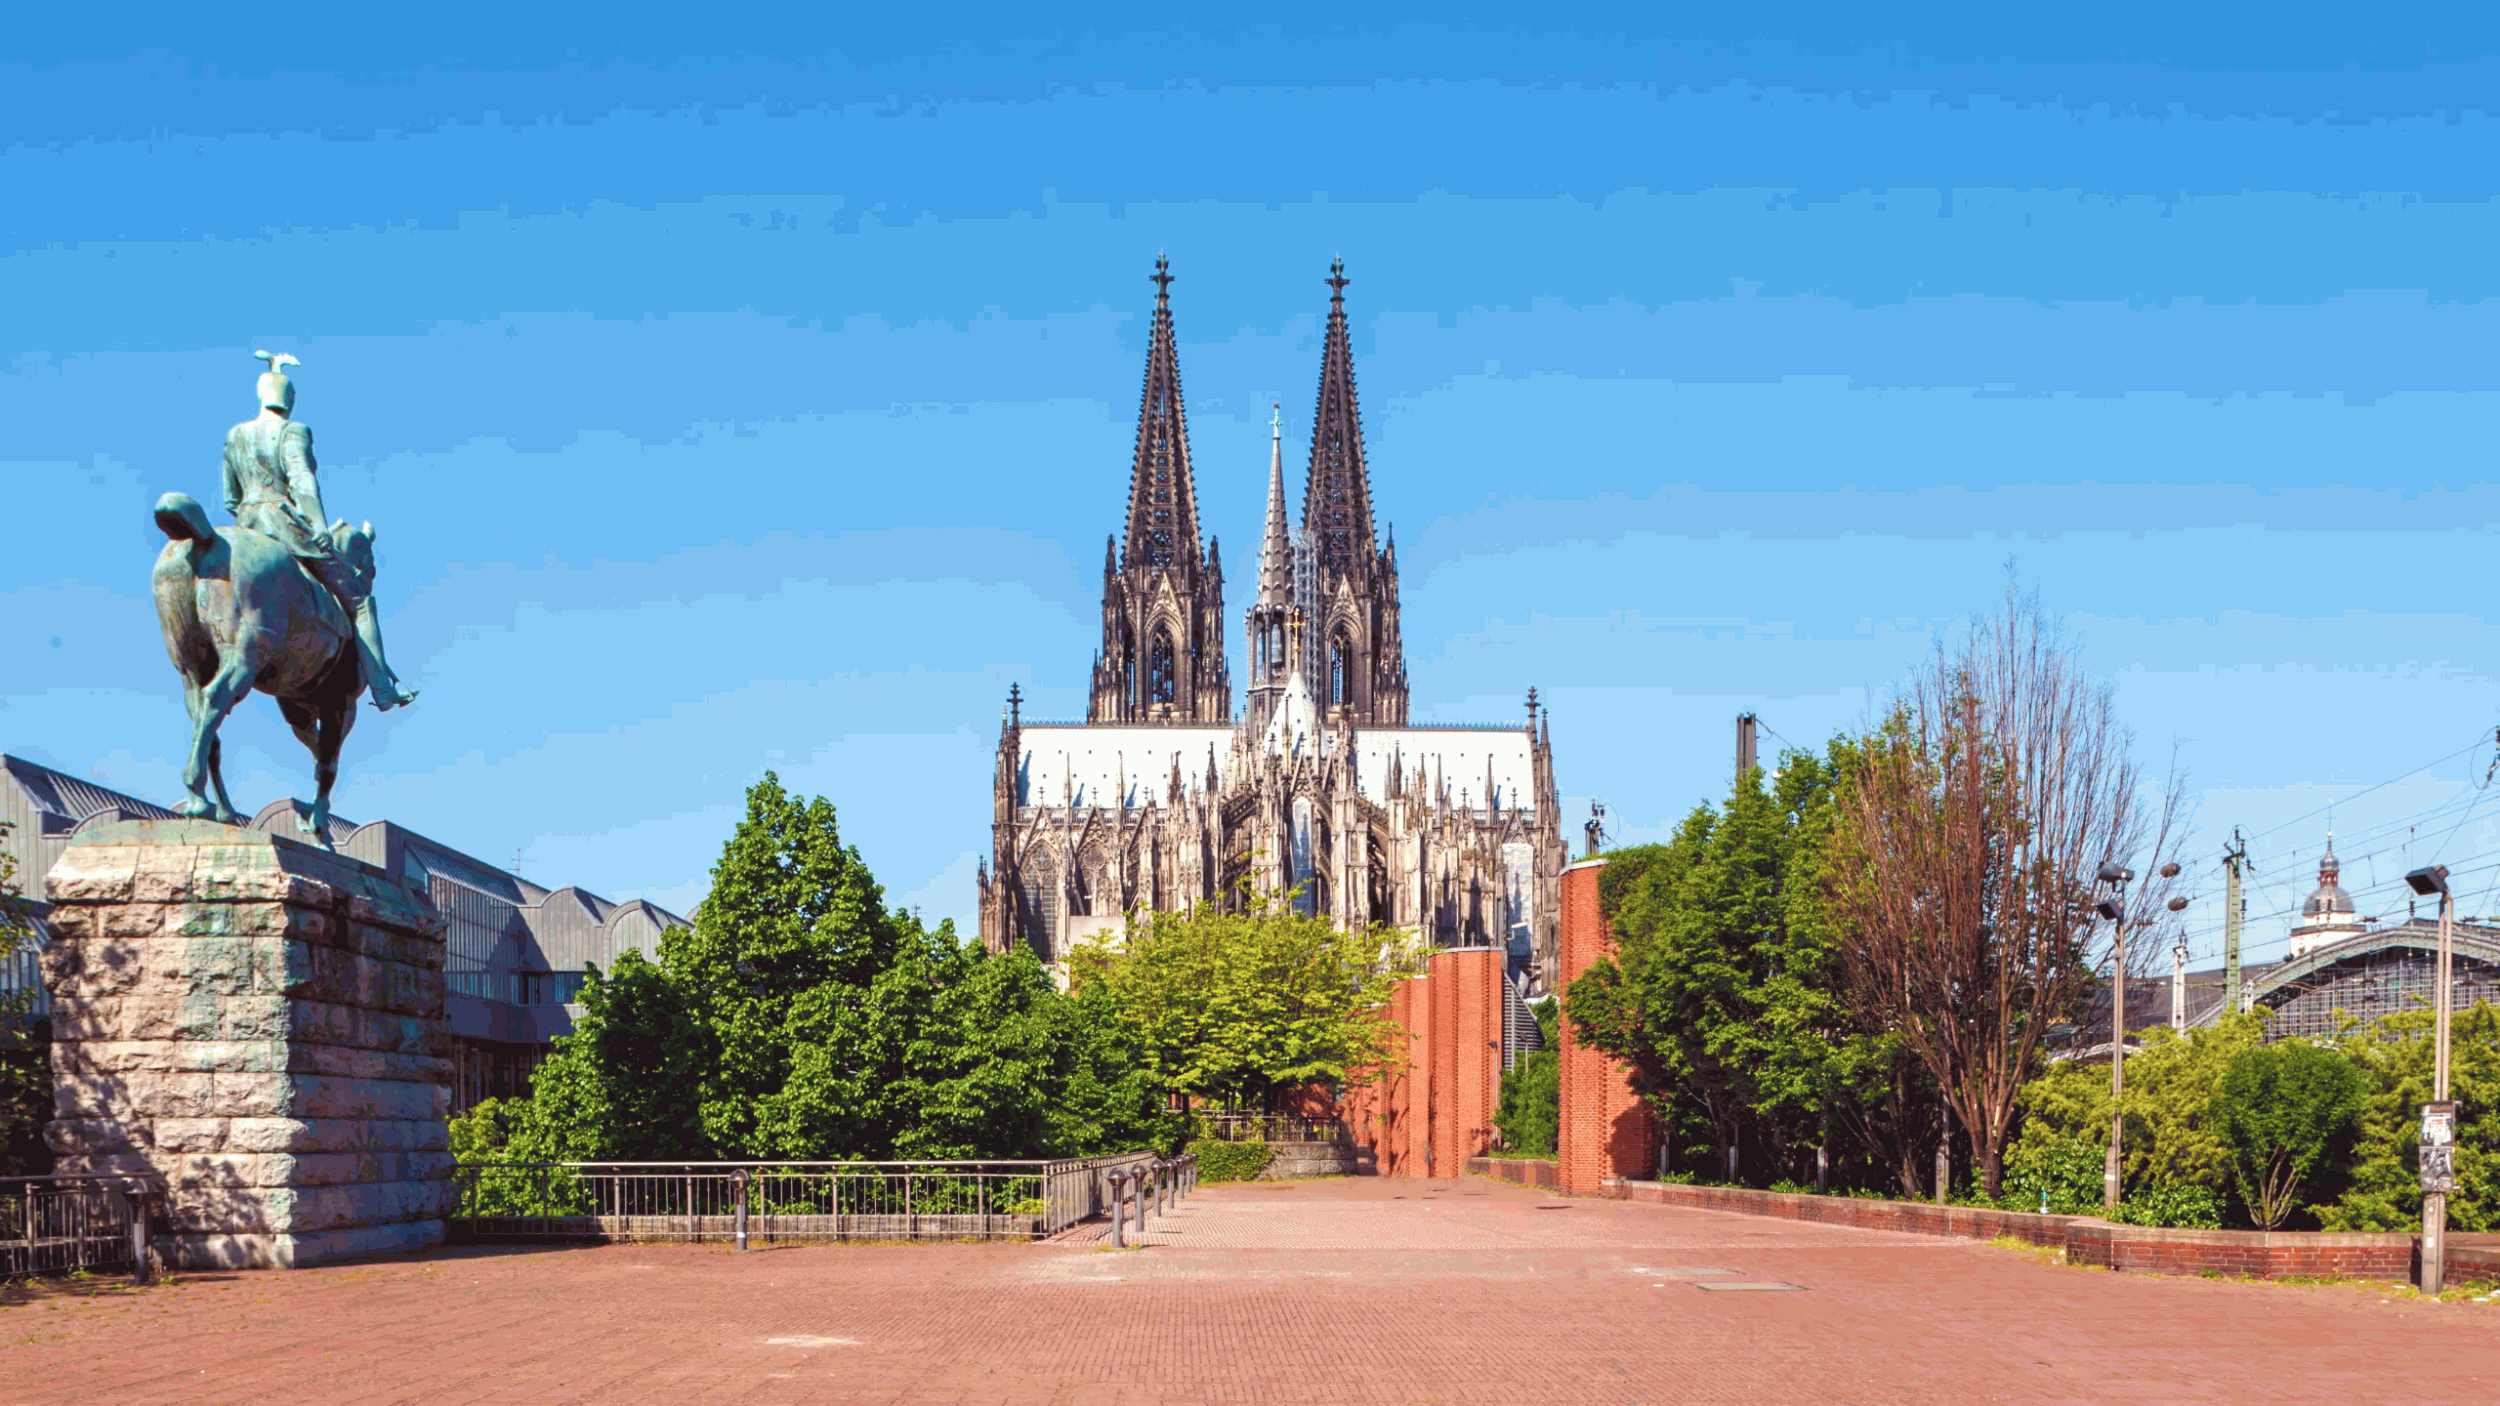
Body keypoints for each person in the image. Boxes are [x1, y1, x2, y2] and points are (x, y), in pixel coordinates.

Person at [221, 351, 419, 710]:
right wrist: (316, 525)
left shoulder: (235, 435)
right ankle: (383, 690)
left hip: (245, 523)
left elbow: (230, 500)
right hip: (282, 524)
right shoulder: (293, 432)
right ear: (289, 401)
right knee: (359, 601)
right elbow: (303, 482)